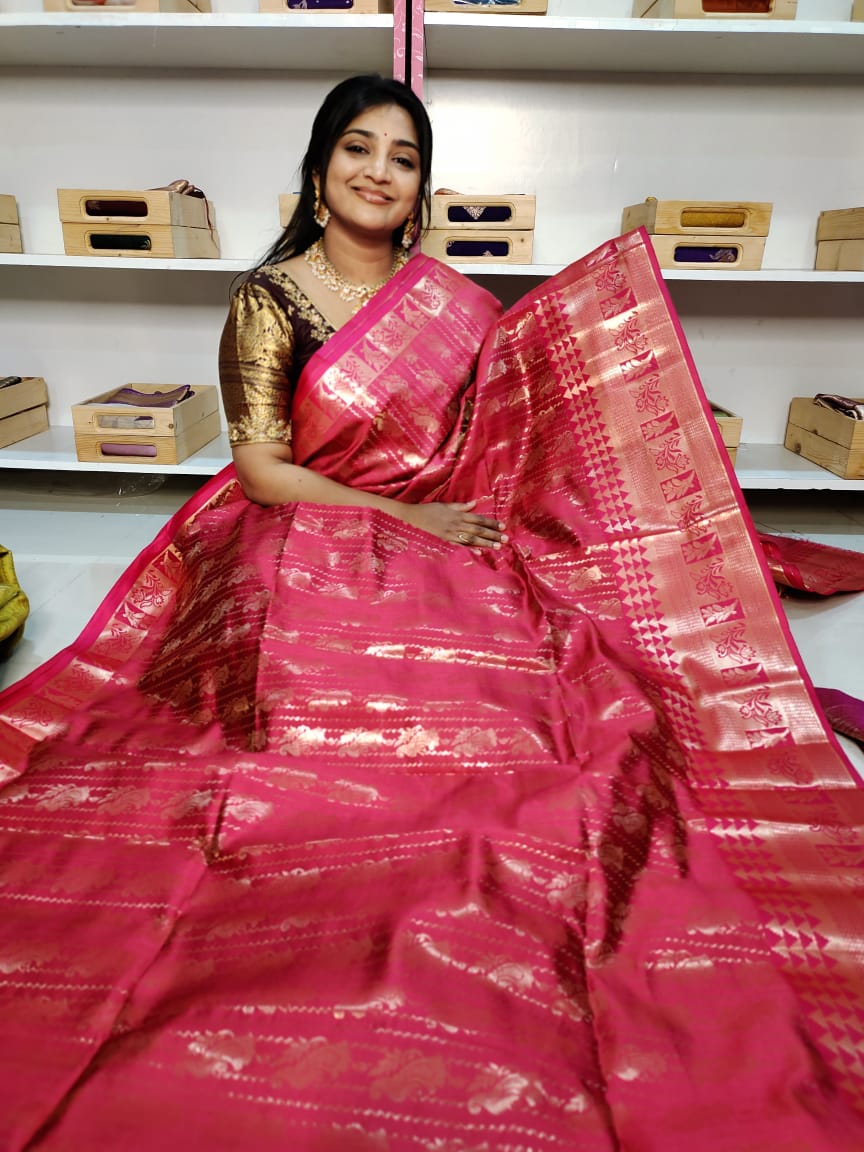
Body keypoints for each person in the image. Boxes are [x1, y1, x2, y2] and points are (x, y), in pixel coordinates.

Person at [1, 74, 864, 1151]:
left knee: (525, 647)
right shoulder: (270, 299)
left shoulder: (447, 302)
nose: (378, 171)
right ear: (319, 169)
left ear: (420, 187)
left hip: (440, 515)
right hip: (300, 519)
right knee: (292, 653)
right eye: (357, 148)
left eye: (402, 158)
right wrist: (401, 516)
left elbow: (510, 420)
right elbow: (264, 471)